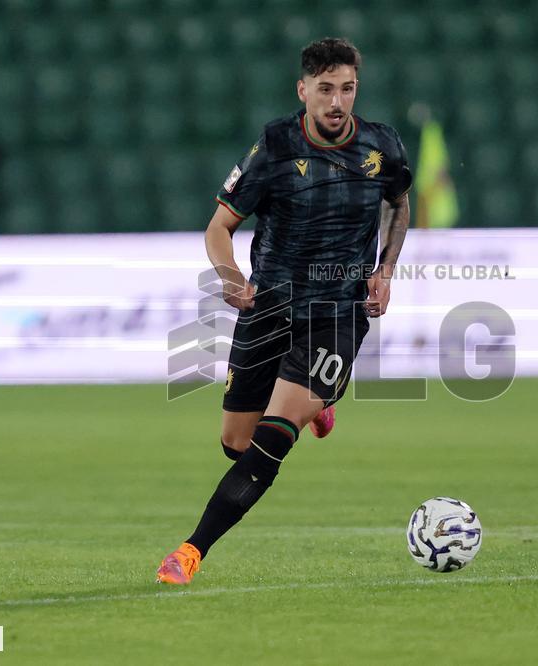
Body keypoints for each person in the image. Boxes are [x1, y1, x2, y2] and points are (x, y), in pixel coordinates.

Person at [157, 37, 412, 585]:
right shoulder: (275, 146)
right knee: (236, 444)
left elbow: (399, 202)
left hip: (340, 311)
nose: (337, 101)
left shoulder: (381, 146)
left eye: (347, 89)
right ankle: (320, 404)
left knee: (274, 436)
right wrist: (230, 278)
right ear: (304, 91)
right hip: (271, 305)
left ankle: (189, 552)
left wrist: (385, 270)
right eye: (325, 90)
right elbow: (219, 227)